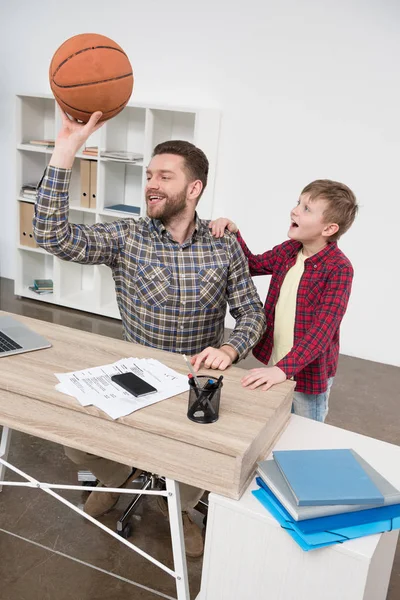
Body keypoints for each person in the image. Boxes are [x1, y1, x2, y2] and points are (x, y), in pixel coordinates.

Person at [33, 110, 266, 557]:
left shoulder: (224, 245)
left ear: (194, 188)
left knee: (208, 457)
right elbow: (52, 235)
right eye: (148, 176)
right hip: (135, 375)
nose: (151, 184)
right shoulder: (128, 237)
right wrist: (65, 151)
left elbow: (251, 312)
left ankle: (175, 506)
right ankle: (117, 478)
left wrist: (231, 348)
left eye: (165, 176)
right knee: (75, 445)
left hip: (196, 382)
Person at [210, 179, 358, 423]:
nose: (295, 210)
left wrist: (283, 370)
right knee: (276, 423)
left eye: (306, 209)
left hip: (306, 372)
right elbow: (252, 264)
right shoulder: (289, 250)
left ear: (329, 229)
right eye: (298, 203)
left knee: (305, 430)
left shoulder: (339, 269)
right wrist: (234, 234)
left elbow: (322, 331)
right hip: (277, 362)